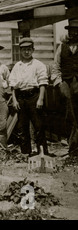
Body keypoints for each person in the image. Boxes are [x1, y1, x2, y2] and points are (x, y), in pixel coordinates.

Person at [9, 37, 49, 156]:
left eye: (29, 49)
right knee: (22, 127)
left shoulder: (38, 65)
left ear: (33, 50)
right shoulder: (17, 66)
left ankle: (42, 153)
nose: (26, 52)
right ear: (20, 50)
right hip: (21, 97)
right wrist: (15, 100)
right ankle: (25, 153)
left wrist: (40, 99)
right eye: (24, 49)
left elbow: (43, 82)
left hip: (34, 96)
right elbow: (13, 85)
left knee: (38, 126)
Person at [51, 19, 78, 154]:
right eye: (72, 31)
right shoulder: (62, 47)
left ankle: (75, 148)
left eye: (76, 31)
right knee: (70, 116)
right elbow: (55, 67)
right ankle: (73, 147)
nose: (74, 33)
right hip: (66, 84)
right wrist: (59, 83)